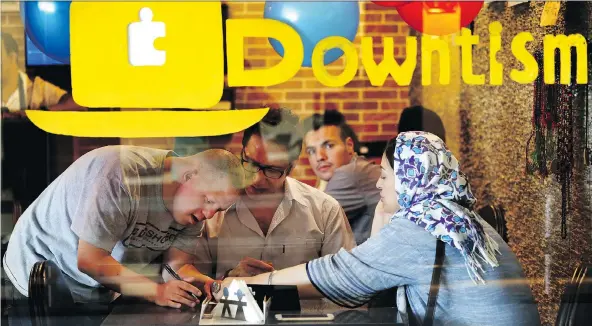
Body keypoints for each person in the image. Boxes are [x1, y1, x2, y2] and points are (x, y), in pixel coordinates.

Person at [220, 132, 541, 326]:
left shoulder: (421, 228)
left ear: (412, 179)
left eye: (386, 175)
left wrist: (249, 284)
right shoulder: (454, 217)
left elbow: (340, 272)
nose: (378, 183)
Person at [3, 145, 245, 309]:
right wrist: (157, 292)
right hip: (32, 278)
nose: (210, 214)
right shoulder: (121, 176)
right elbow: (91, 260)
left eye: (219, 209)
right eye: (209, 200)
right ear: (189, 175)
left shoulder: (194, 213)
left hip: (93, 290)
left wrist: (208, 284)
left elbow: (177, 267)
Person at [194, 107, 356, 280]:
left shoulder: (325, 211)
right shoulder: (211, 209)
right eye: (250, 162)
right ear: (241, 151)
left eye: (272, 170)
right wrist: (229, 279)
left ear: (291, 167)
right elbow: (191, 282)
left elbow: (347, 283)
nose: (256, 179)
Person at [302, 110, 380, 245]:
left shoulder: (349, 174)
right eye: (311, 151)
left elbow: (305, 229)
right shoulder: (359, 167)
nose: (320, 157)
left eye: (328, 145)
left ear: (349, 146)